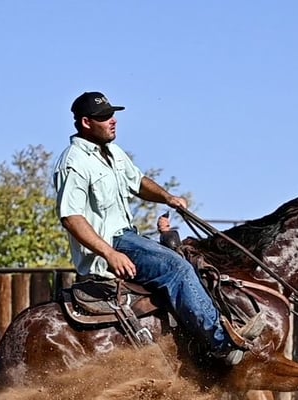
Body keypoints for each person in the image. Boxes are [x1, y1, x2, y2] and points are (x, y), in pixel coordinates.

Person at [53, 91, 262, 365]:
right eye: (104, 117)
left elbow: (138, 182)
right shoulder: (74, 162)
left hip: (127, 238)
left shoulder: (113, 153)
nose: (113, 121)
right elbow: (71, 216)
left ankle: (202, 335)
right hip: (113, 245)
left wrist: (168, 198)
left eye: (112, 114)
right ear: (86, 123)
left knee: (191, 258)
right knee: (176, 268)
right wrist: (110, 254)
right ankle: (220, 344)